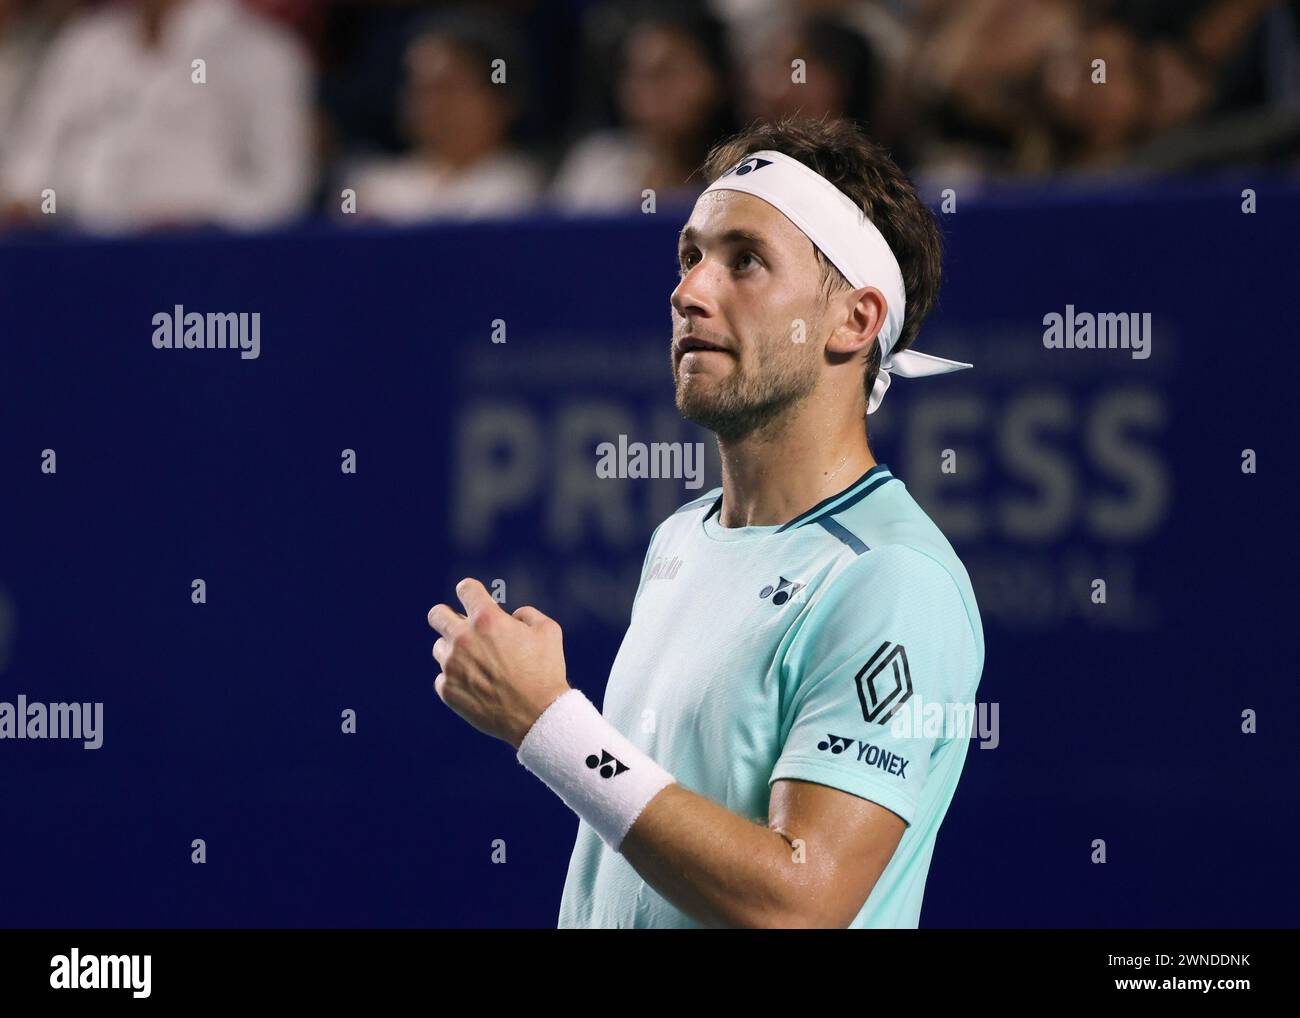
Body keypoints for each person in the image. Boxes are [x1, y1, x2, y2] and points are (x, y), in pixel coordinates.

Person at [428, 115, 985, 929]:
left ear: (855, 323)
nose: (688, 291)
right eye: (691, 256)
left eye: (745, 261)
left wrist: (550, 724)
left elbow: (799, 905)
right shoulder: (681, 538)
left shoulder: (891, 581)